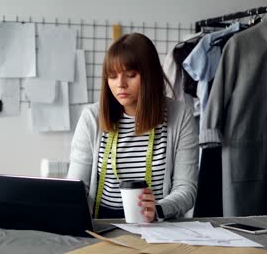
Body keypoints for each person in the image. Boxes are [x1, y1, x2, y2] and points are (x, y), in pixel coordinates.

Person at [67, 33, 198, 222]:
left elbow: (186, 189)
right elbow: (76, 186)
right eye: (112, 76)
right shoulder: (91, 118)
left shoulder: (180, 116)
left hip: (156, 225)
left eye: (130, 75)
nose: (120, 84)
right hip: (101, 225)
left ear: (150, 74)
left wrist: (159, 209)